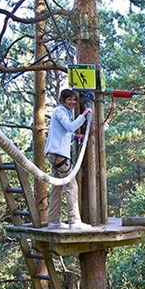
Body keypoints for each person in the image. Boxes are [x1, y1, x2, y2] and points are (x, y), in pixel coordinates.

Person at [44, 89, 92, 230]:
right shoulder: (60, 111)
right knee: (71, 185)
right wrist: (84, 114)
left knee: (57, 187)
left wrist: (75, 137)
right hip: (58, 155)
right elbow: (70, 127)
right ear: (63, 100)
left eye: (73, 100)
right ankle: (74, 221)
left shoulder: (64, 112)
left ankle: (53, 221)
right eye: (69, 99)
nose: (72, 102)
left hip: (56, 153)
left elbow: (63, 133)